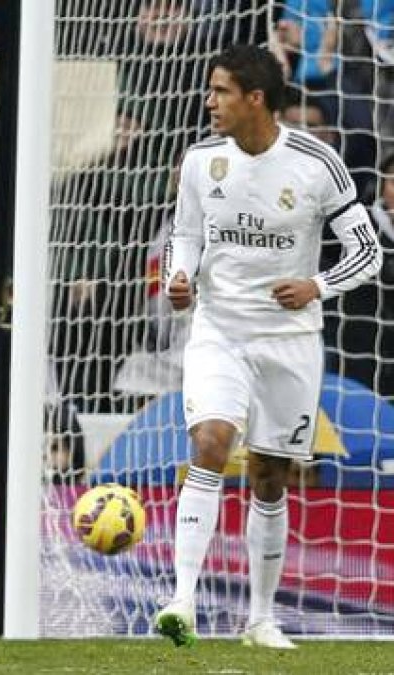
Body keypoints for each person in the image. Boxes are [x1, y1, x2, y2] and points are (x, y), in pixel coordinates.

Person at [155, 44, 380, 650]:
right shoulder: (201, 160)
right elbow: (185, 236)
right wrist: (180, 275)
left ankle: (260, 617)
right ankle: (182, 601)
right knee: (210, 440)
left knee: (270, 475)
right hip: (219, 330)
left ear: (256, 98)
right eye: (210, 90)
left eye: (222, 91)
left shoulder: (316, 162)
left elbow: (367, 251)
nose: (210, 102)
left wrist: (317, 284)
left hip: (289, 341)